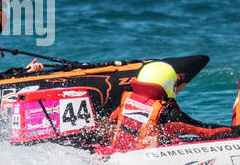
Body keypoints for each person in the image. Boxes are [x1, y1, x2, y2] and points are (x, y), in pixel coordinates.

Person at [96, 61, 231, 153]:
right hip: (143, 160)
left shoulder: (127, 100)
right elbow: (207, 131)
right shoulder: (166, 113)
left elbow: (111, 122)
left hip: (116, 153)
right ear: (168, 85)